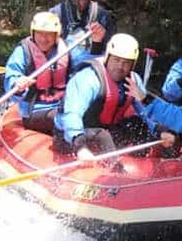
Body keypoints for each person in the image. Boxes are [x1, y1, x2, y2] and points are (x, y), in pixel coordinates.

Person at [54, 33, 174, 161]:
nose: (120, 67)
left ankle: (152, 167)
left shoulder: (133, 81)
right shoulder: (88, 79)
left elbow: (146, 112)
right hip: (73, 136)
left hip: (106, 129)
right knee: (103, 136)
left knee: (139, 125)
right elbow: (72, 114)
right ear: (107, 58)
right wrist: (80, 147)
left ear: (132, 65)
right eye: (116, 60)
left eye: (126, 63)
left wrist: (161, 131)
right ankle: (116, 171)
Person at [4, 11, 106, 133]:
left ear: (56, 35)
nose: (43, 38)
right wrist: (17, 84)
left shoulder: (66, 48)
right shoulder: (23, 52)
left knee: (85, 115)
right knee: (63, 118)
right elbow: (12, 76)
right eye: (39, 33)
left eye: (49, 34)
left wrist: (97, 43)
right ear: (33, 33)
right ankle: (75, 142)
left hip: (63, 105)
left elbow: (89, 63)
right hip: (35, 111)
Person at [50, 0, 116, 49]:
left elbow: (111, 50)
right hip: (63, 59)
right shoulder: (56, 14)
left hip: (93, 58)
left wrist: (98, 41)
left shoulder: (102, 15)